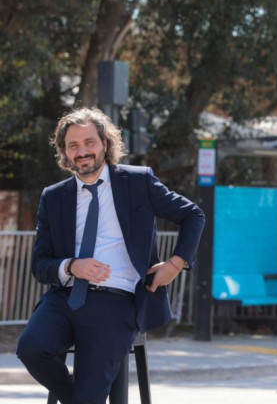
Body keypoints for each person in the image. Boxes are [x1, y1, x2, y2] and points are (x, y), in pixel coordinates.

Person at [16, 107, 205, 404]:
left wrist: (176, 263)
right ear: (64, 153)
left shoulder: (137, 182)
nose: (82, 151)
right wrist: (72, 266)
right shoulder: (53, 197)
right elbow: (40, 265)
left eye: (89, 142)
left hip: (117, 300)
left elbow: (193, 214)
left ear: (105, 144)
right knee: (30, 348)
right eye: (73, 145)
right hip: (64, 298)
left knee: (91, 390)